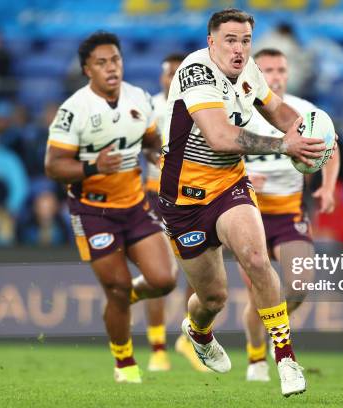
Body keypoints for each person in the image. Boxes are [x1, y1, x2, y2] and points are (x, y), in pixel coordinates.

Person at [158, 9, 327, 397]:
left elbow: (278, 111)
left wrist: (311, 133)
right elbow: (219, 136)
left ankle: (285, 357)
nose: (239, 49)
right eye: (230, 40)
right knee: (212, 297)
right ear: (211, 42)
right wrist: (285, 145)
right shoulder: (196, 72)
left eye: (245, 40)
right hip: (182, 200)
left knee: (255, 257)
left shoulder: (248, 70)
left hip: (229, 185)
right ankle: (199, 332)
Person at [44, 31, 177, 384]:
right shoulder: (73, 110)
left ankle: (121, 298)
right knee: (115, 289)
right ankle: (125, 363)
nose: (111, 68)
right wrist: (92, 167)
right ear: (88, 69)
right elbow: (53, 166)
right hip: (92, 211)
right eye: (101, 63)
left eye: (115, 60)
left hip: (134, 205)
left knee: (164, 280)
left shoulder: (140, 98)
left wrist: (162, 159)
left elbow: (151, 142)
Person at [239, 48, 340, 382]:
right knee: (258, 294)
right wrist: (243, 178)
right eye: (267, 69)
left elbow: (330, 146)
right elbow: (217, 149)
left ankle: (274, 330)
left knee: (298, 284)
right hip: (244, 213)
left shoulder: (304, 111)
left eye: (281, 69)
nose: (276, 75)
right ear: (255, 74)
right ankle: (256, 359)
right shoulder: (238, 110)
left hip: (288, 213)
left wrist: (327, 185)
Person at [142, 53, 208, 372]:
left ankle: (188, 338)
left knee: (197, 274)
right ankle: (157, 348)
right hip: (156, 194)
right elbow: (143, 144)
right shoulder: (150, 107)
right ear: (161, 77)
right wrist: (157, 155)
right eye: (167, 73)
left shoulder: (202, 105)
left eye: (176, 74)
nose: (170, 79)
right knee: (162, 275)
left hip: (194, 197)